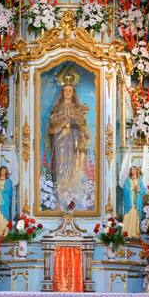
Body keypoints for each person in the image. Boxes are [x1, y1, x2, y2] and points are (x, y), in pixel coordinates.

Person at [47, 69, 91, 209]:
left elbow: (83, 125)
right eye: (65, 90)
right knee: (61, 166)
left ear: (73, 92)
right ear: (62, 92)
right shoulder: (57, 108)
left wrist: (76, 116)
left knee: (74, 167)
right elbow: (52, 123)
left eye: (70, 90)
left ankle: (73, 195)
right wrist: (66, 117)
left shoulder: (77, 108)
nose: (67, 93)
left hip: (74, 140)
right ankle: (60, 195)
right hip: (61, 141)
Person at [120, 165, 145, 235]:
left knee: (135, 215)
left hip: (137, 201)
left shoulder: (139, 181)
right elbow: (125, 190)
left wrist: (138, 189)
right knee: (128, 214)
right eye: (131, 170)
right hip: (129, 201)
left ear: (137, 171)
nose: (132, 171)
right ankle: (126, 232)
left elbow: (143, 191)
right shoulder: (128, 180)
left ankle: (135, 232)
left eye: (134, 169)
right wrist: (131, 188)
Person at [0, 166, 14, 238]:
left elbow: (9, 191)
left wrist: (1, 191)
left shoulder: (8, 181)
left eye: (4, 170)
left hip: (4, 202)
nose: (3, 172)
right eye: (2, 170)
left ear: (6, 172)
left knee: (3, 216)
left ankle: (4, 233)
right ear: (0, 171)